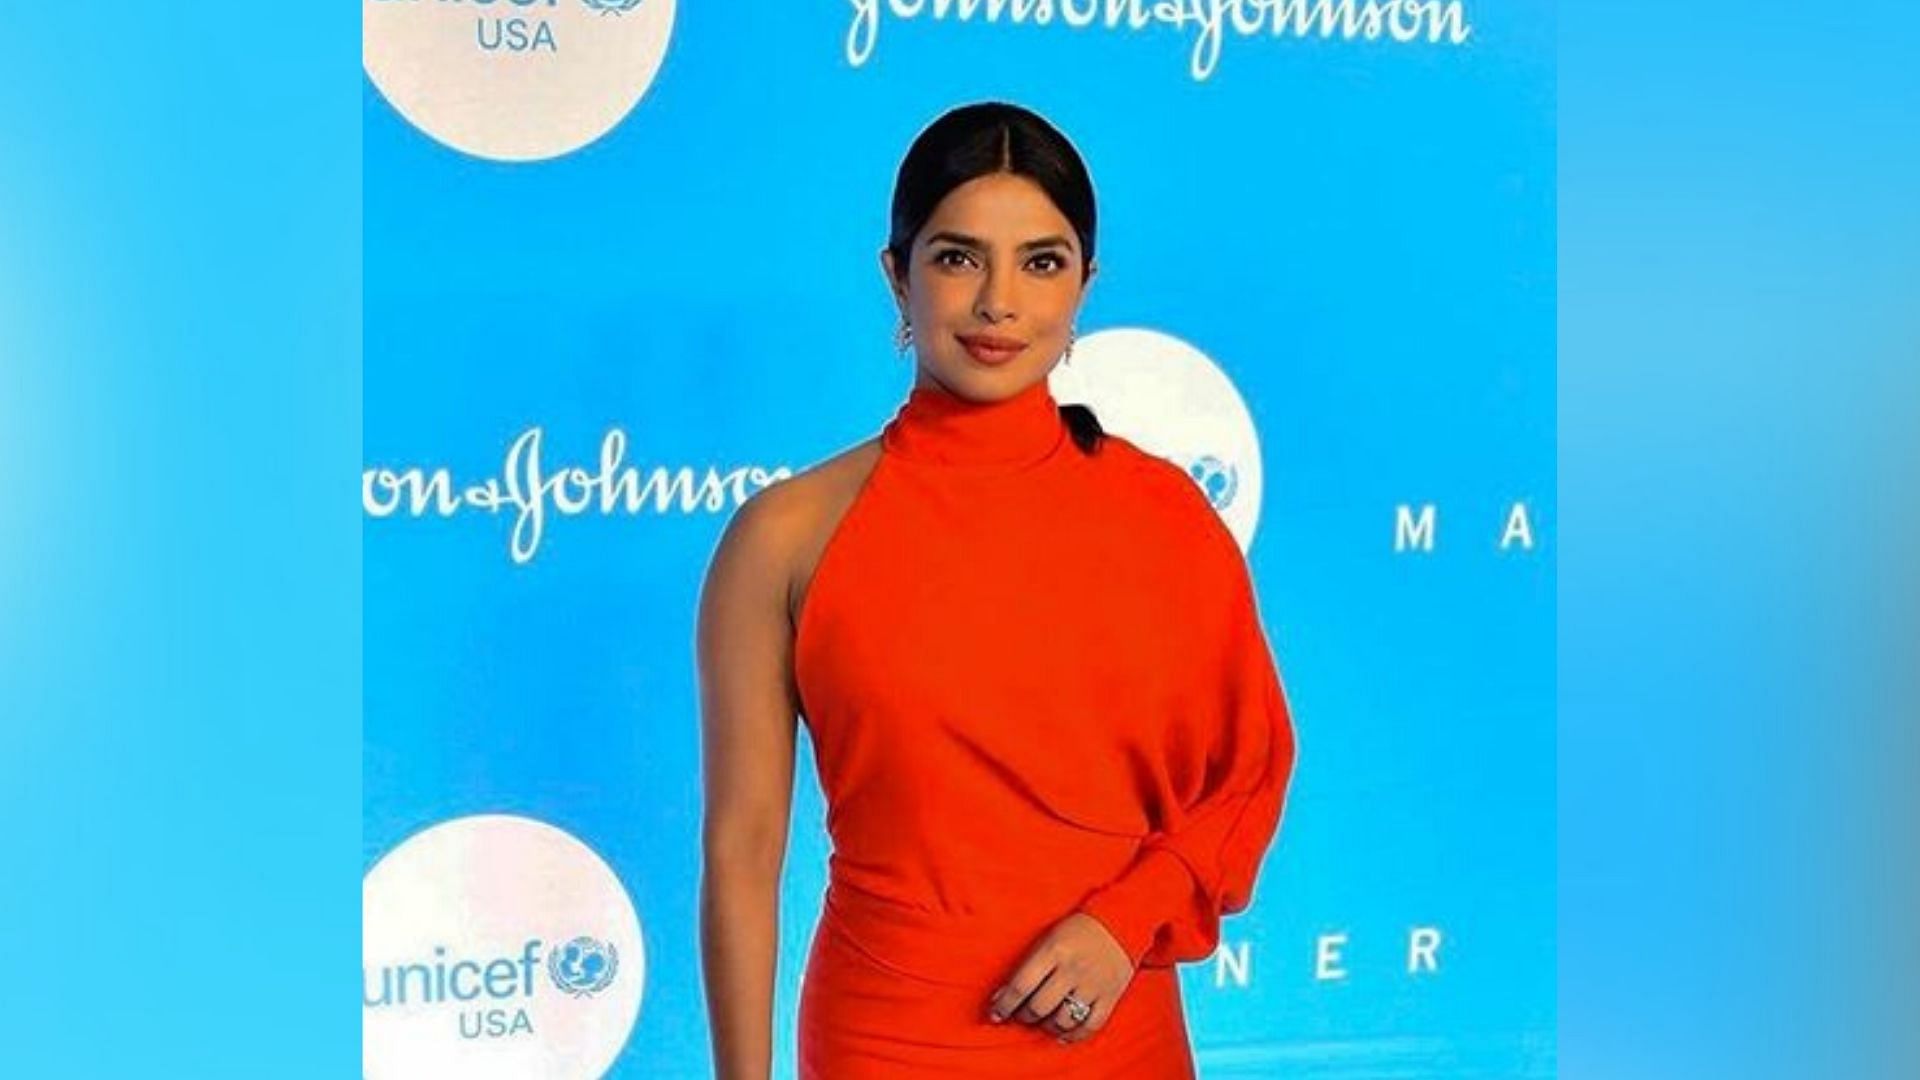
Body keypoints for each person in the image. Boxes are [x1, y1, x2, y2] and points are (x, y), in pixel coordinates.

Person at [697, 100, 1297, 1078]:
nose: (998, 303)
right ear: (897, 275)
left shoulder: (1165, 515)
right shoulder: (785, 536)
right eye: (958, 257)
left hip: (1114, 1033)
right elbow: (743, 845)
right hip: (883, 1033)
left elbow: (1250, 767)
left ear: (1085, 286)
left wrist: (1126, 917)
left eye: (1042, 262)